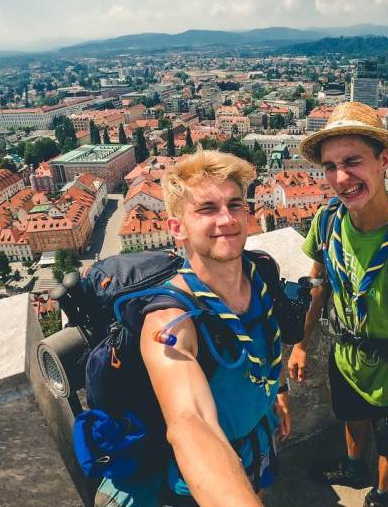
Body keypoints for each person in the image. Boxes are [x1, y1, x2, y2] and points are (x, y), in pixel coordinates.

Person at [96, 149, 291, 507]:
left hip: (257, 438)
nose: (227, 219)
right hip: (201, 477)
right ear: (178, 229)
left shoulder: (260, 272)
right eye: (207, 209)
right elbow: (191, 422)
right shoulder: (170, 320)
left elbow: (264, 344)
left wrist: (276, 394)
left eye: (235, 205)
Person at [287, 102, 388, 507]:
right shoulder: (328, 222)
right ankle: (354, 467)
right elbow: (317, 286)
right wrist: (302, 344)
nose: (341, 179)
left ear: (384, 161)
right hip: (345, 360)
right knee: (351, 419)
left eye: (352, 162)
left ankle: (380, 494)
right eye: (330, 166)